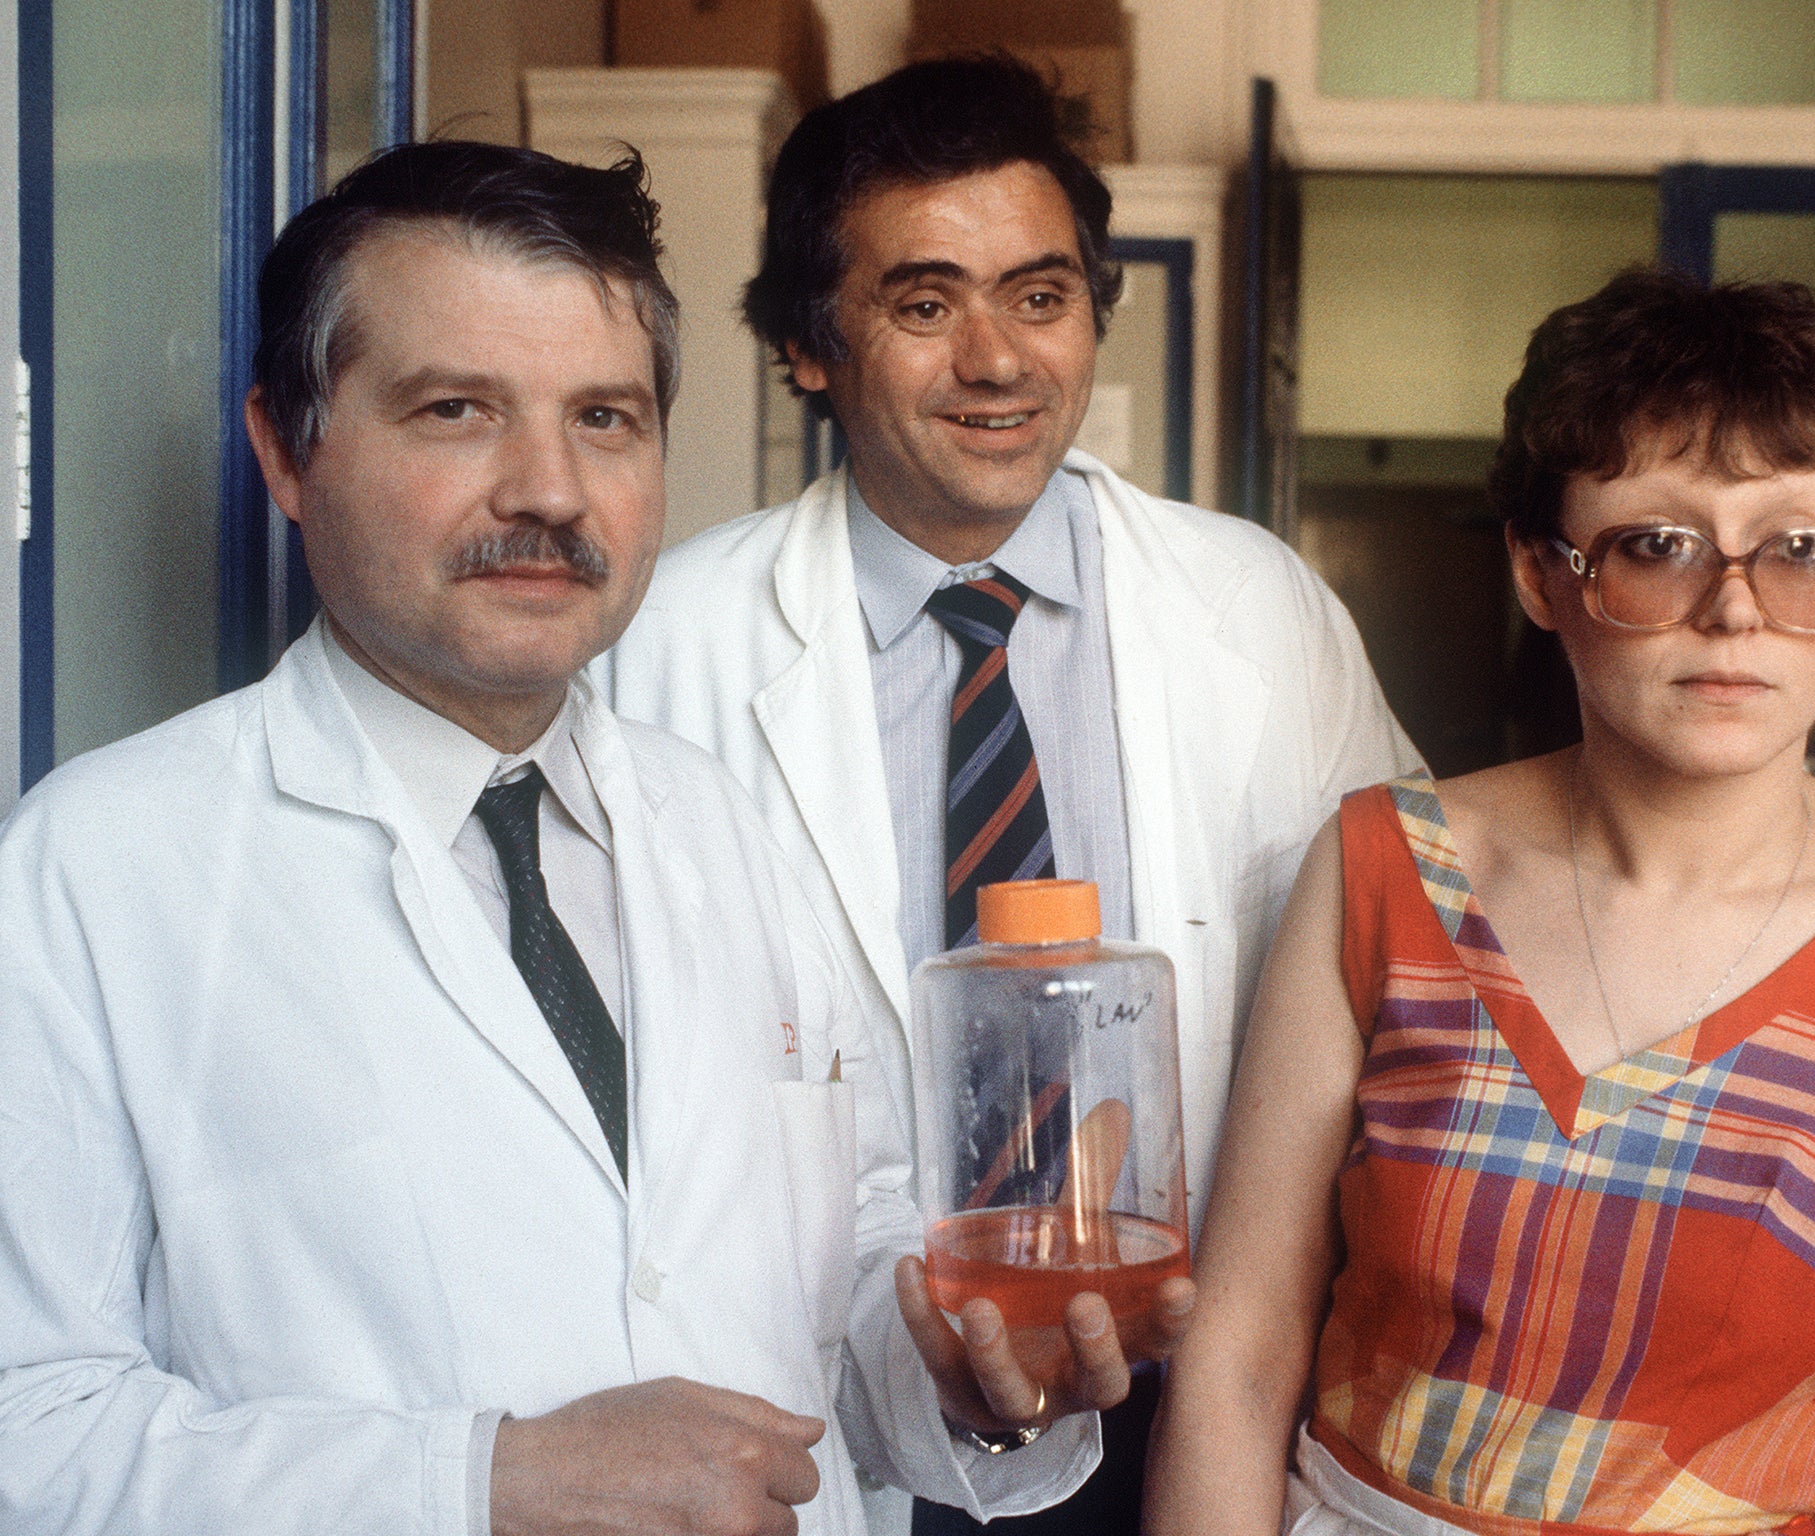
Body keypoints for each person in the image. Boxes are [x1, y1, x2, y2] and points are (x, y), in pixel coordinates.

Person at [0, 139, 1170, 1536]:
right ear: (286, 450)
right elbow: (30, 1427)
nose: (550, 492)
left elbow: (836, 1270)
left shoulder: (725, 825)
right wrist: (479, 1481)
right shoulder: (97, 869)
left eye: (605, 419)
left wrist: (971, 1373)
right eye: (456, 411)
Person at [598, 54, 1421, 1536]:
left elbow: (1409, 971)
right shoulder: (660, 650)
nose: (998, 360)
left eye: (1040, 296)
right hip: (828, 1410)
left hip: (1197, 1398)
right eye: (924, 305)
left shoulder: (1255, 610)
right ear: (807, 345)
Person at [1147, 268, 1815, 1536]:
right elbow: (1236, 1369)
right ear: (1540, 574)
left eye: (1797, 550)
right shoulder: (1381, 868)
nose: (1733, 610)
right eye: (1655, 546)